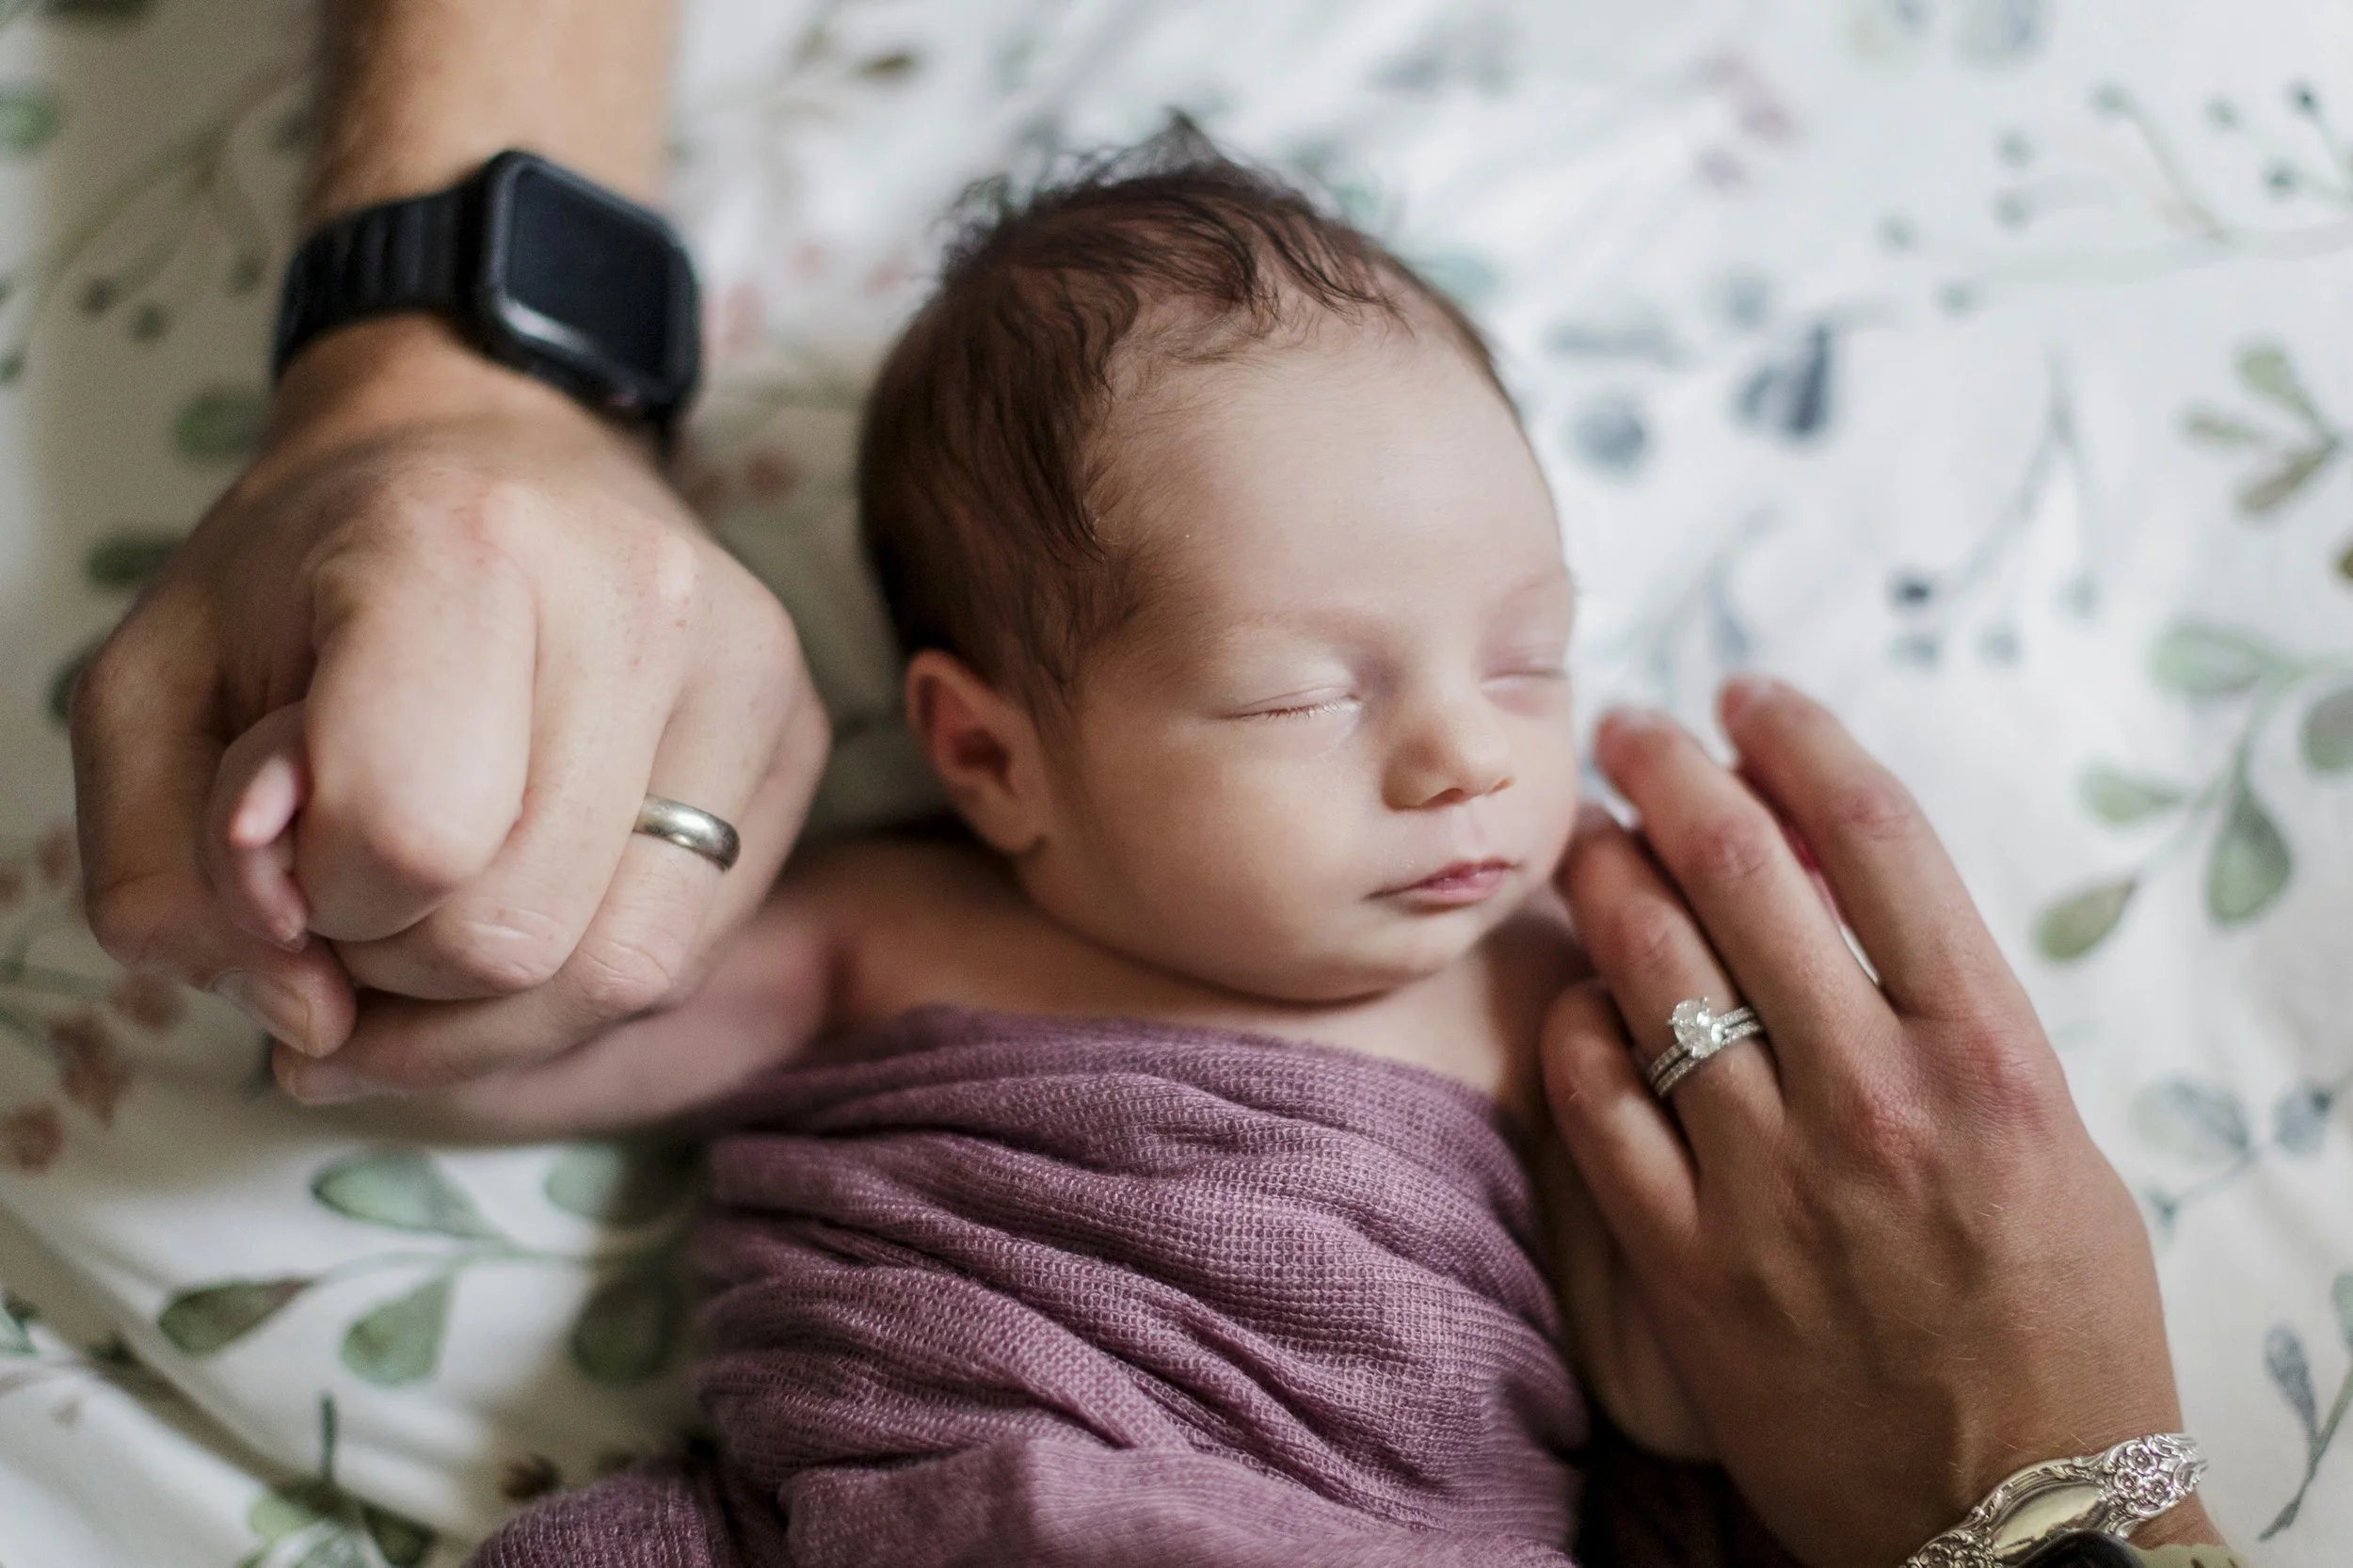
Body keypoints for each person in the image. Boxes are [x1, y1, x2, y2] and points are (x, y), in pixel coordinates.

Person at [70, 6, 2240, 1566]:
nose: (1462, 746)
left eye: (1527, 651)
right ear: (991, 749)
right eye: (1308, 692)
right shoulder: (885, 922)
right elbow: (542, 1008)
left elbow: (1706, 1376)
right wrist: (363, 916)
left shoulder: (1551, 987)